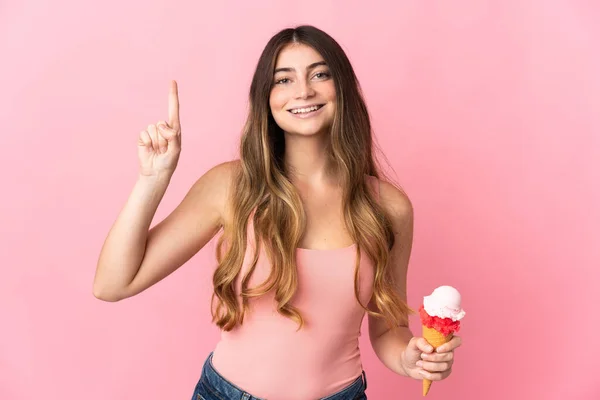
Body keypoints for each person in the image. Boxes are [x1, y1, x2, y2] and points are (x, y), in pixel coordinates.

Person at [93, 25, 462, 400]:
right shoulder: (231, 186)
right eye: (283, 79)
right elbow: (112, 285)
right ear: (265, 98)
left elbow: (387, 331)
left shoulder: (389, 208)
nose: (303, 91)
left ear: (344, 89)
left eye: (320, 74)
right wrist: (152, 179)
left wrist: (410, 358)